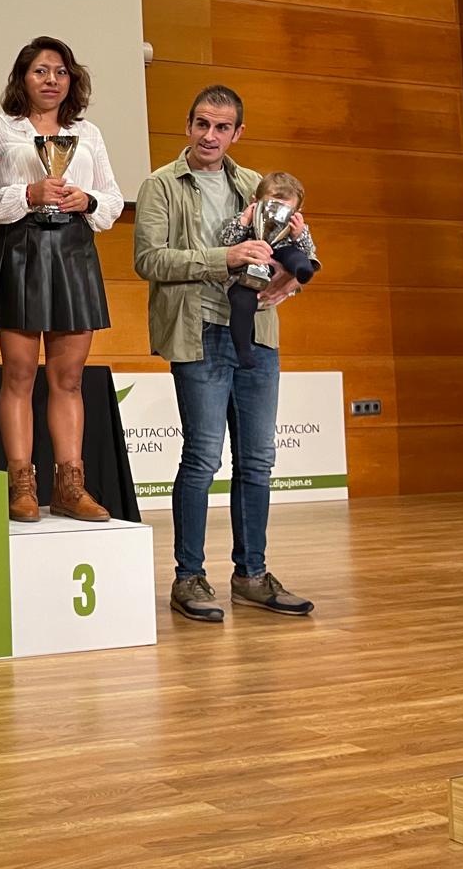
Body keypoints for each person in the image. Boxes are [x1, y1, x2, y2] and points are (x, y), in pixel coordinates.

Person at [134, 84, 315, 623]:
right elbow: (150, 260)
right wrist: (225, 257)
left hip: (257, 333)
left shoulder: (257, 185)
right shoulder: (161, 185)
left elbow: (288, 253)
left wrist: (291, 273)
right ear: (188, 127)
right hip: (197, 333)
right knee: (202, 459)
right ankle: (189, 577)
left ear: (237, 133)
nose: (210, 136)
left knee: (258, 461)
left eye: (221, 127)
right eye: (201, 125)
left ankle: (251, 575)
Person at [0, 37, 123, 524]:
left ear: (71, 79)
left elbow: (114, 201)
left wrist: (90, 201)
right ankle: (21, 482)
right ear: (22, 78)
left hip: (75, 252)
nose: (51, 80)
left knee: (69, 379)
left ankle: (70, 484)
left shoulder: (89, 133)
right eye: (40, 71)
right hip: (20, 250)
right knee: (18, 374)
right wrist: (28, 193)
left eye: (59, 71)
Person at [220, 171, 318, 369]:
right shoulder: (245, 218)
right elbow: (226, 242)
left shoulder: (295, 227)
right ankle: (243, 350)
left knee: (294, 255)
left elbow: (308, 250)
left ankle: (302, 271)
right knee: (241, 300)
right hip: (249, 265)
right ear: (255, 201)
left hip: (280, 254)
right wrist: (244, 221)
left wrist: (299, 234)